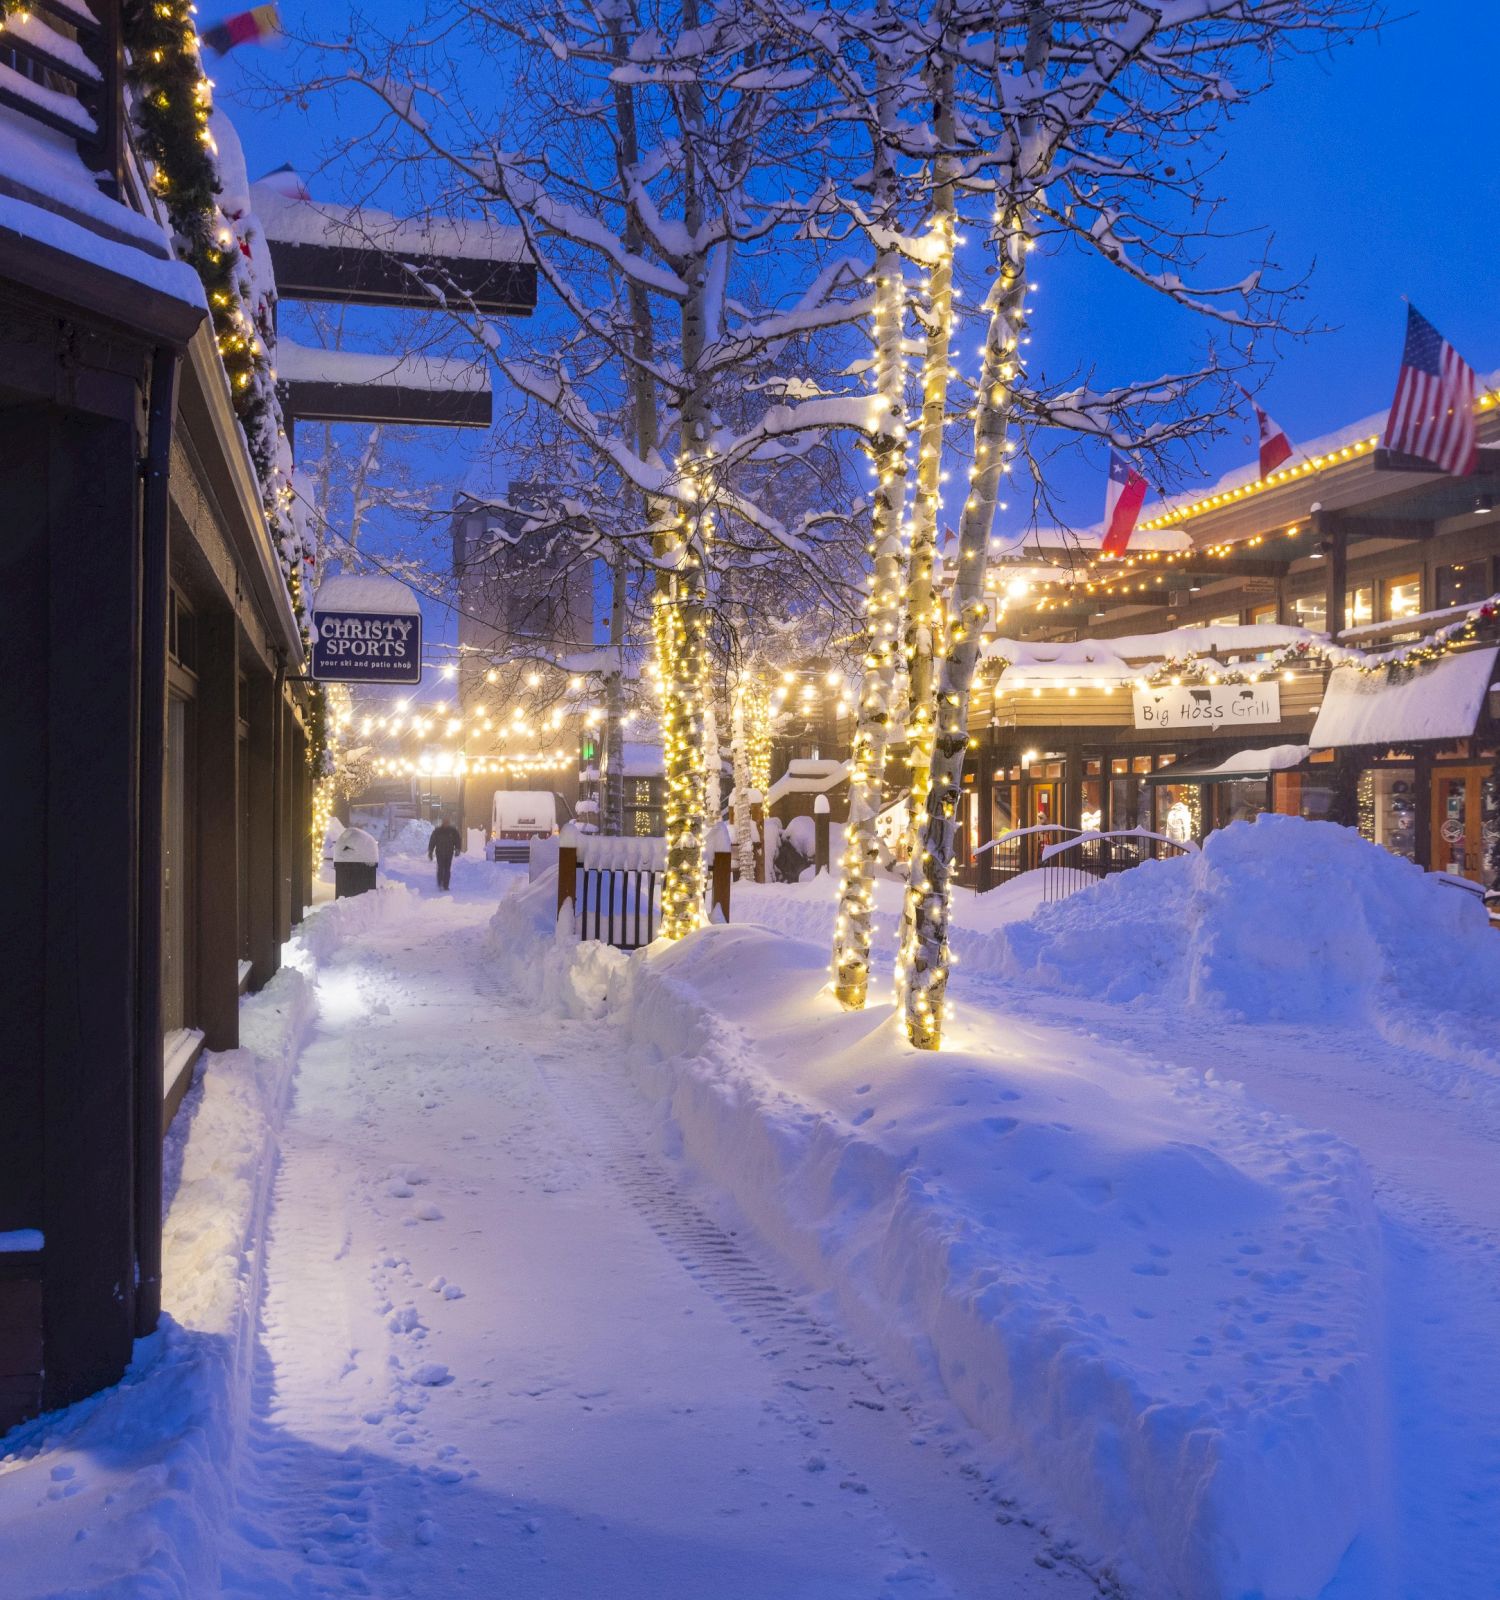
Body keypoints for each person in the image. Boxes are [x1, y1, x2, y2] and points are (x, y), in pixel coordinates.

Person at [427, 815, 463, 891]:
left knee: (447, 870)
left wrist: (457, 849)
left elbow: (457, 840)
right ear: (442, 822)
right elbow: (432, 841)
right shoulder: (437, 831)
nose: (446, 823)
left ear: (449, 822)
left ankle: (445, 885)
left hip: (449, 853)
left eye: (447, 822)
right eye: (445, 822)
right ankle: (440, 883)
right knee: (440, 868)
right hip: (439, 853)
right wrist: (430, 851)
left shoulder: (453, 831)